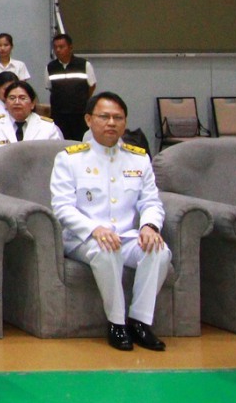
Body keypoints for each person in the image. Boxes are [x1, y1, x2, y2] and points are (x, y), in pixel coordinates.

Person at [49, 93, 169, 352]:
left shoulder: (138, 158)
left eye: (118, 117)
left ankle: (139, 321)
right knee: (107, 249)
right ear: (88, 120)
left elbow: (151, 201)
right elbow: (62, 207)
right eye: (104, 117)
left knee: (159, 251)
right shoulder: (70, 158)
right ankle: (117, 323)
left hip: (125, 236)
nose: (111, 123)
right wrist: (95, 229)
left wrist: (149, 226)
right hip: (83, 238)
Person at [0, 79, 62, 161]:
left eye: (22, 98)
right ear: (5, 104)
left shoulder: (47, 127)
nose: (17, 102)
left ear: (32, 104)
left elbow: (56, 158)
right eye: (12, 98)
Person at [45, 33, 98, 140]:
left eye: (61, 47)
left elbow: (92, 85)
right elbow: (50, 88)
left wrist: (81, 99)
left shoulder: (84, 65)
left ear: (70, 48)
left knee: (79, 142)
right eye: (55, 47)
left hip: (79, 114)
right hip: (59, 115)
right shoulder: (50, 67)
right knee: (60, 142)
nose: (58, 50)